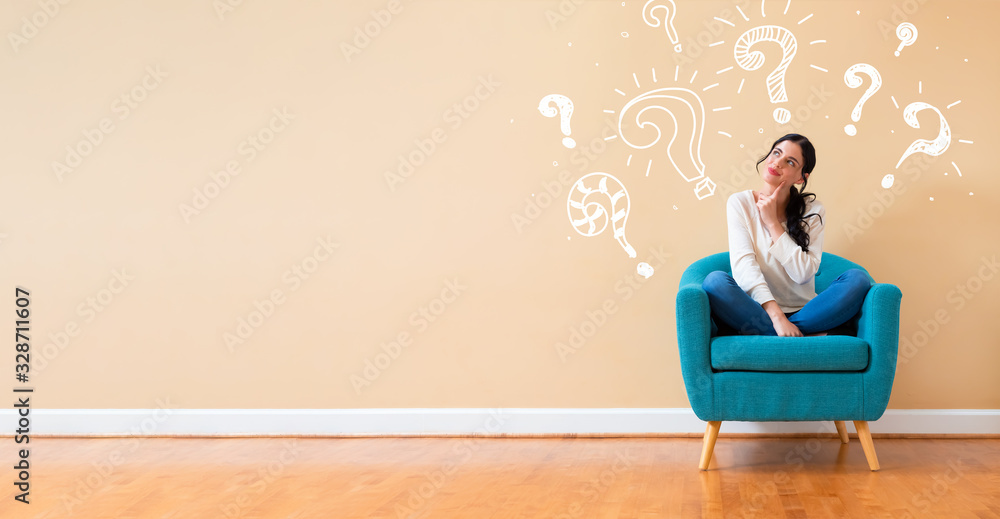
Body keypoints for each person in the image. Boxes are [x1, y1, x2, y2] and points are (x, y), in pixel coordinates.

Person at [702, 134, 871, 337]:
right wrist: (778, 318)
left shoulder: (813, 210)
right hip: (757, 310)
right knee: (715, 282)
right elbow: (744, 267)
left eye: (790, 162)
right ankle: (795, 332)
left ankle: (779, 333)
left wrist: (772, 223)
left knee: (857, 279)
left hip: (807, 311)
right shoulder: (740, 203)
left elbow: (802, 274)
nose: (777, 162)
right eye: (776, 153)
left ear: (801, 177)